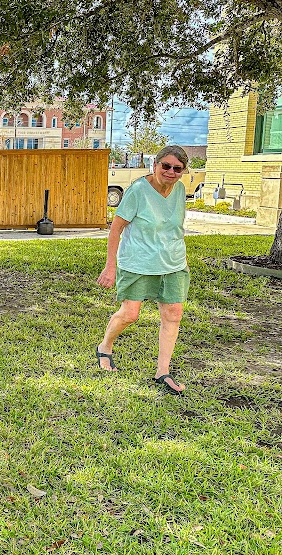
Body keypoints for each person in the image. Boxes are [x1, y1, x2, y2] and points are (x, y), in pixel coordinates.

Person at [95, 145, 190, 395]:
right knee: (130, 314)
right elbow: (116, 228)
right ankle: (105, 347)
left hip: (173, 263)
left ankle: (163, 371)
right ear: (156, 165)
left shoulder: (179, 189)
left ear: (183, 171)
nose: (171, 171)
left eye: (177, 168)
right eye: (166, 166)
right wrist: (110, 266)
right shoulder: (138, 190)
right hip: (137, 262)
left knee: (173, 314)